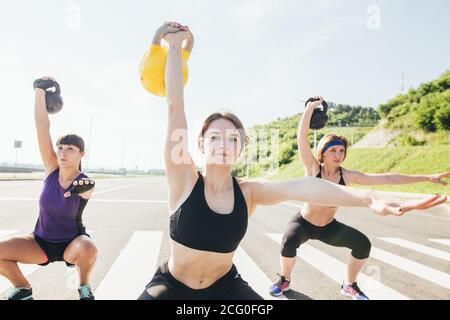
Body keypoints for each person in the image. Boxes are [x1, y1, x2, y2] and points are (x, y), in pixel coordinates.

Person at [137, 22, 446, 300]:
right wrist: (175, 48)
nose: (223, 144)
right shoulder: (183, 179)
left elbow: (306, 187)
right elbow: (175, 105)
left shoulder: (250, 193)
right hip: (172, 286)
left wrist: (369, 198)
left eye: (233, 138)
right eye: (215, 137)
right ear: (201, 144)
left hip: (225, 287)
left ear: (242, 148)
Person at [269, 97, 450, 300]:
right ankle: (284, 279)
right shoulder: (313, 169)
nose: (338, 155)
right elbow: (301, 139)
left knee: (363, 244)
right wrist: (310, 109)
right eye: (333, 150)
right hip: (304, 223)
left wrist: (427, 177)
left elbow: (388, 178)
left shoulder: (347, 176)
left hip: (329, 228)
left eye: (341, 151)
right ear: (323, 153)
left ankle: (349, 284)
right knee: (288, 241)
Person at [0, 77, 97, 300]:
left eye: (71, 149)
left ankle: (83, 287)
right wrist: (39, 92)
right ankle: (23, 289)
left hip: (71, 244)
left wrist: (81, 187)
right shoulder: (51, 170)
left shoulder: (83, 181)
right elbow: (42, 128)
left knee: (89, 248)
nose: (63, 153)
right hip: (40, 242)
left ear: (82, 153)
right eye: (61, 148)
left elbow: (88, 187)